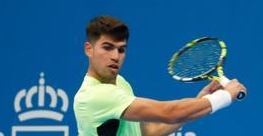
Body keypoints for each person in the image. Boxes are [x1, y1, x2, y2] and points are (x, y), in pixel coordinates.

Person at [73, 15, 247, 136]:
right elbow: (169, 112)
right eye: (107, 47)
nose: (115, 56)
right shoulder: (94, 96)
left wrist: (200, 100)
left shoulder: (120, 82)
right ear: (89, 49)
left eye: (121, 49)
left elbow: (147, 132)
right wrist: (225, 96)